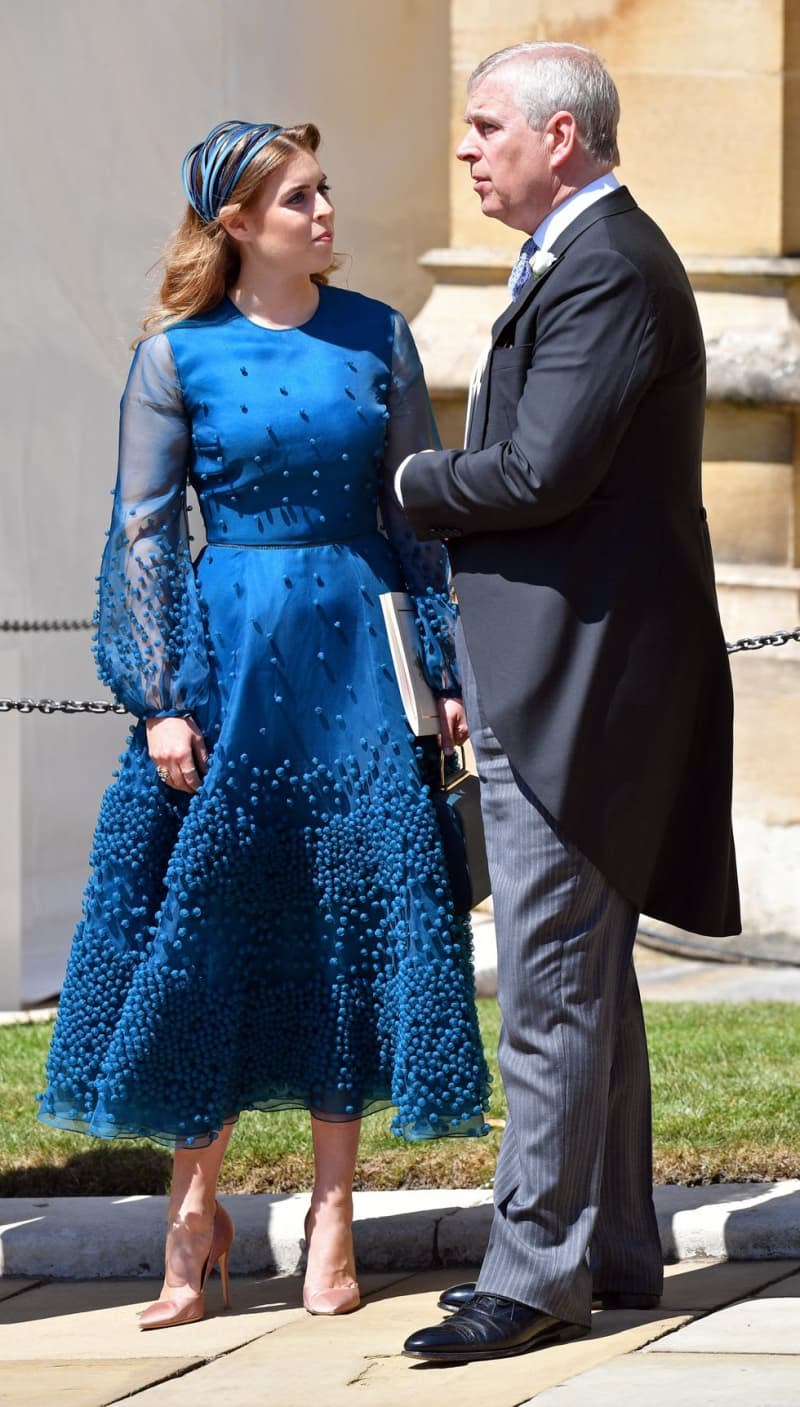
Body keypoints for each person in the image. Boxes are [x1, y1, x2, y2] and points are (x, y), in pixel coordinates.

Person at [37, 118, 490, 1330]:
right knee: (210, 928)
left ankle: (332, 1217)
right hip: (231, 660)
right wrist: (160, 699)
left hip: (356, 648)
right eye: (299, 198)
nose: (325, 212)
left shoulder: (377, 333)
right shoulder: (176, 356)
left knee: (348, 918)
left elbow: (416, 524)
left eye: (325, 190)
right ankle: (196, 1207)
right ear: (236, 224)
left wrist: (440, 673)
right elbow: (140, 534)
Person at [399, 42, 740, 1363]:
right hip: (574, 679)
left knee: (545, 978)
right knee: (583, 972)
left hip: (582, 688)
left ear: (562, 135)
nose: (470, 148)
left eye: (487, 126)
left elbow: (539, 468)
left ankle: (531, 1267)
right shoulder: (587, 255)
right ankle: (608, 1244)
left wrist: (414, 483)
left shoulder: (605, 263)